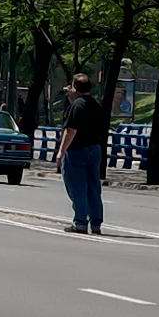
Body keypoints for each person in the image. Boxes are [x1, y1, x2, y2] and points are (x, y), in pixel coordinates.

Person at [57, 73, 105, 235]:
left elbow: (71, 130)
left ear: (75, 87)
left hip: (77, 150)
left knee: (77, 186)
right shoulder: (95, 105)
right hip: (95, 149)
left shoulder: (77, 105)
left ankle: (80, 222)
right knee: (93, 187)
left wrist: (61, 152)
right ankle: (96, 223)